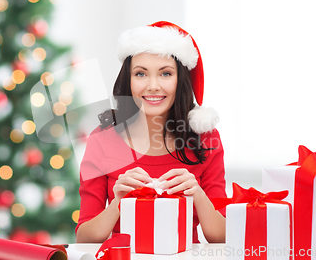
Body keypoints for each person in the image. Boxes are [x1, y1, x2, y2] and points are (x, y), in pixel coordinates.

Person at [75, 21, 226, 244]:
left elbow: (222, 236)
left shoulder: (206, 137)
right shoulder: (103, 139)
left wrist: (198, 194)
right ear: (128, 80)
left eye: (165, 74)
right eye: (141, 74)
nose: (153, 86)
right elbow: (84, 237)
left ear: (180, 80)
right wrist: (118, 202)